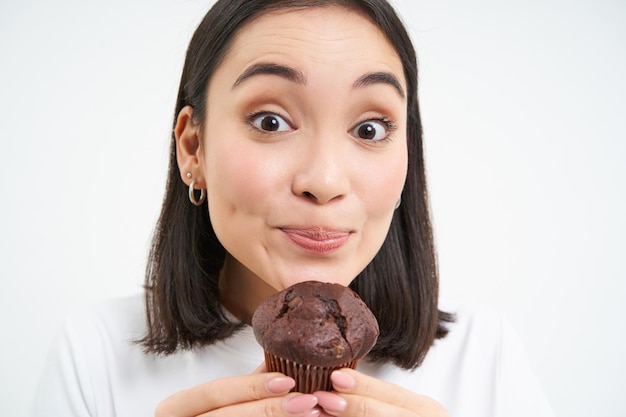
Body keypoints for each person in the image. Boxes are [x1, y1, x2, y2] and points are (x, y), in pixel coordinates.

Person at [32, 1, 555, 416]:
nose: (324, 182)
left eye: (369, 129)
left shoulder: (484, 356)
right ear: (194, 148)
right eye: (270, 121)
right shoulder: (95, 353)